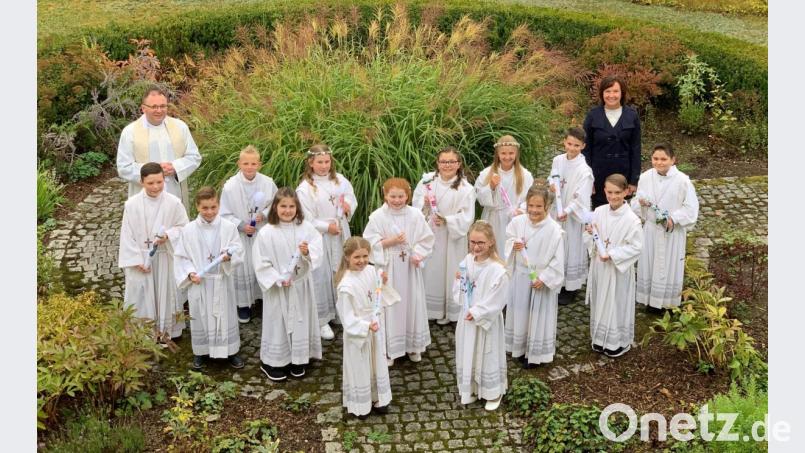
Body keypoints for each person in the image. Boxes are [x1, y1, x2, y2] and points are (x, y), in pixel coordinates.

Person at [252, 188, 324, 381]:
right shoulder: (267, 233)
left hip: (300, 286)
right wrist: (277, 278)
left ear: (297, 208)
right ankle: (273, 362)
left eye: (292, 206)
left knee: (301, 321)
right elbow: (261, 262)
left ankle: (299, 359)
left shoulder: (306, 228)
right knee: (278, 323)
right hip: (279, 288)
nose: (287, 210)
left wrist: (308, 252)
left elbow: (318, 248)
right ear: (275, 208)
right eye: (283, 206)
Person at [363, 178, 434, 366]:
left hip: (409, 267)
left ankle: (413, 346)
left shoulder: (415, 215)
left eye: (401, 196)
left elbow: (426, 238)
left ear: (407, 196)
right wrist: (390, 242)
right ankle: (390, 349)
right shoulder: (378, 217)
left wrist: (419, 253)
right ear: (385, 195)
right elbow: (368, 242)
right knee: (389, 305)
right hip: (388, 266)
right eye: (392, 196)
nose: (396, 200)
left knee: (412, 301)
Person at [174, 187, 245, 370]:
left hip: (221, 280)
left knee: (226, 315)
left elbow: (238, 249)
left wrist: (230, 257)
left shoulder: (228, 227)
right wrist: (190, 273)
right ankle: (201, 352)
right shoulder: (188, 230)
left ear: (218, 205)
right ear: (197, 206)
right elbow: (182, 257)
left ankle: (231, 351)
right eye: (205, 208)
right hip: (200, 283)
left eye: (213, 207)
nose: (210, 212)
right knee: (200, 316)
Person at [118, 162, 189, 344]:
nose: (156, 187)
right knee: (142, 295)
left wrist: (169, 235)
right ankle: (143, 333)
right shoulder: (132, 205)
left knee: (165, 292)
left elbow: (185, 228)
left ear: (164, 179)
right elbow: (127, 235)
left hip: (165, 256)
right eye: (150, 183)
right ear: (141, 182)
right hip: (141, 260)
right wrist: (136, 260)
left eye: (159, 182)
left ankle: (167, 330)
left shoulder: (173, 203)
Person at [296, 144, 358, 341]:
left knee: (341, 270)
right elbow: (306, 218)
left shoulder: (340, 180)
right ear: (311, 163)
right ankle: (322, 318)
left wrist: (348, 208)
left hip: (340, 231)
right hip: (320, 236)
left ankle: (341, 311)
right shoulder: (306, 188)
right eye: (320, 162)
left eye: (327, 161)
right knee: (320, 274)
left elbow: (351, 198)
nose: (324, 166)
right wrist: (326, 227)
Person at [335, 237, 401, 419]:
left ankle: (379, 397)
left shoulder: (371, 270)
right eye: (357, 257)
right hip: (360, 332)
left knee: (376, 364)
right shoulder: (346, 285)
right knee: (360, 365)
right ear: (347, 257)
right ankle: (361, 404)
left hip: (374, 326)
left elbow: (378, 291)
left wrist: (383, 281)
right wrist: (365, 326)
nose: (362, 261)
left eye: (365, 256)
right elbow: (346, 317)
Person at [412, 147, 475, 325]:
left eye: (451, 162)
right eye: (443, 162)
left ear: (458, 164)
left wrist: (447, 220)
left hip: (452, 238)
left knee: (451, 271)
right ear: (437, 163)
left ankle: (451, 311)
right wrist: (423, 204)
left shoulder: (465, 188)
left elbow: (467, 217)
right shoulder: (427, 182)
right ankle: (432, 309)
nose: (447, 165)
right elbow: (415, 207)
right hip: (430, 233)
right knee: (432, 270)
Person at [632, 144, 699, 310]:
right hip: (650, 231)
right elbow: (636, 202)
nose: (659, 163)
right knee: (649, 263)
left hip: (671, 232)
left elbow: (691, 208)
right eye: (655, 158)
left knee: (669, 265)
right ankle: (649, 300)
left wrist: (672, 218)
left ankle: (667, 303)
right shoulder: (646, 177)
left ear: (673, 160)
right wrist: (640, 204)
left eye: (663, 159)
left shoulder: (682, 181)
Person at [504, 184, 565, 367]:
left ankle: (535, 354)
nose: (534, 210)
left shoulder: (554, 230)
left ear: (547, 206)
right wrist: (513, 245)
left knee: (537, 315)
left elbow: (557, 260)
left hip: (539, 280)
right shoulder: (517, 222)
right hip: (521, 276)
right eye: (531, 205)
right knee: (520, 312)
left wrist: (544, 279)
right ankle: (519, 347)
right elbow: (508, 239)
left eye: (539, 206)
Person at [584, 174, 643, 358]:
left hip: (617, 270)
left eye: (617, 192)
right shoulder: (599, 211)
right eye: (609, 192)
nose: (613, 196)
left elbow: (636, 247)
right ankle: (600, 339)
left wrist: (613, 254)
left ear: (626, 192)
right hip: (600, 268)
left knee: (616, 302)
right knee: (601, 299)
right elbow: (590, 235)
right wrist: (590, 235)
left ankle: (616, 342)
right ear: (604, 191)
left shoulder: (632, 220)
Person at [452, 221, 509, 411]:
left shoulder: (498, 270)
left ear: (491, 242)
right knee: (469, 351)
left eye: (481, 243)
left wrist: (476, 312)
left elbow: (497, 299)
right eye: (472, 242)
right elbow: (459, 290)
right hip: (467, 318)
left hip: (486, 322)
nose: (476, 247)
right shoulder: (467, 261)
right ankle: (473, 388)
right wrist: (458, 282)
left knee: (487, 354)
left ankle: (493, 392)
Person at [116, 85, 202, 208]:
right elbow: (124, 167)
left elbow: (194, 157)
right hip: (144, 196)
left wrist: (175, 167)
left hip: (174, 192)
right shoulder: (130, 132)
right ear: (143, 108)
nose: (159, 110)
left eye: (163, 106)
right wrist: (153, 172)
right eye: (154, 107)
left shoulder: (180, 127)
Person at [219, 145, 278, 323]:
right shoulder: (230, 187)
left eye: (253, 163)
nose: (249, 167)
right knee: (243, 266)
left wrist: (265, 215)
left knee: (262, 264)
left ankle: (263, 300)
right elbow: (224, 213)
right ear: (239, 164)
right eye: (245, 163)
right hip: (242, 236)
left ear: (259, 164)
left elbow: (276, 204)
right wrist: (242, 225)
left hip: (262, 233)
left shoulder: (268, 183)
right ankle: (243, 304)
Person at [548, 127, 594, 305]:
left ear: (583, 146)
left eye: (576, 145)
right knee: (557, 246)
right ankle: (556, 281)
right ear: (564, 142)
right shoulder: (558, 160)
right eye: (569, 143)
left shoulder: (585, 171)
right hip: (556, 210)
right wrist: (552, 184)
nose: (572, 148)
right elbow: (552, 177)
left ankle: (571, 287)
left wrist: (566, 211)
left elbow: (582, 196)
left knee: (572, 247)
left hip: (572, 216)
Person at [582, 76, 642, 209]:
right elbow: (585, 150)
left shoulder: (631, 115)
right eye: (607, 91)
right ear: (602, 93)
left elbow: (636, 150)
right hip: (598, 175)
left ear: (622, 93)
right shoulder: (593, 115)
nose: (611, 95)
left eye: (615, 91)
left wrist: (634, 180)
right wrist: (588, 179)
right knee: (599, 215)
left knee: (621, 214)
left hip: (623, 175)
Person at [475, 135, 534, 257]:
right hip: (493, 218)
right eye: (503, 153)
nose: (507, 157)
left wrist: (522, 209)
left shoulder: (525, 175)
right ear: (497, 154)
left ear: (516, 154)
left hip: (514, 219)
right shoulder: (487, 173)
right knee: (493, 252)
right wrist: (490, 187)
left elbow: (530, 198)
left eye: (511, 153)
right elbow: (479, 197)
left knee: (511, 253)